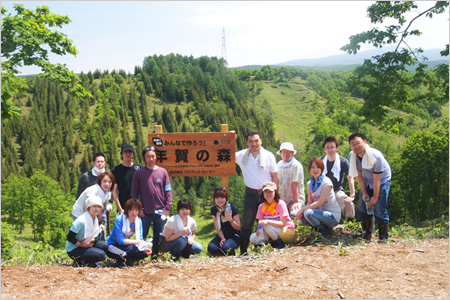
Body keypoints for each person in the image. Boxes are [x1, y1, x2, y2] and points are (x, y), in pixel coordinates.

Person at [232, 130, 278, 255]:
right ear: (247, 143)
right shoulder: (242, 155)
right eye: (251, 141)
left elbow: (274, 176)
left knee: (267, 220)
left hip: (267, 194)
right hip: (250, 193)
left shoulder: (269, 155)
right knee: (247, 222)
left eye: (256, 140)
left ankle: (267, 248)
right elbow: (227, 154)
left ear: (261, 141)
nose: (254, 144)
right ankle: (243, 251)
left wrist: (275, 194)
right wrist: (231, 139)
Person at [348, 133, 391, 243]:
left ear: (365, 142)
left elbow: (377, 179)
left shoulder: (376, 156)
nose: (356, 146)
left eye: (358, 143)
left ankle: (383, 235)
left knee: (379, 208)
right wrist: (365, 193)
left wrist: (375, 197)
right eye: (353, 144)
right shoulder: (352, 156)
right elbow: (358, 174)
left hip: (382, 180)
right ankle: (367, 233)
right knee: (362, 207)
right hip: (367, 179)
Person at [131, 146, 172, 256]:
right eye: (148, 156)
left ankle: (156, 255)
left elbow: (168, 191)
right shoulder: (139, 173)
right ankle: (139, 256)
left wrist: (167, 207)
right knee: (141, 235)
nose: (151, 158)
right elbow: (134, 193)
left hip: (160, 211)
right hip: (144, 211)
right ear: (144, 158)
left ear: (156, 157)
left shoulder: (163, 172)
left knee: (158, 236)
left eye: (153, 156)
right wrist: (138, 209)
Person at [296, 157, 341, 242]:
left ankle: (325, 234)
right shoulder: (310, 184)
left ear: (322, 169)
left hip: (333, 216)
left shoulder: (326, 182)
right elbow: (310, 202)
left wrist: (303, 209)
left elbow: (320, 202)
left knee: (307, 212)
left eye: (318, 167)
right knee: (302, 219)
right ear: (309, 169)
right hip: (322, 215)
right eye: (312, 167)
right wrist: (301, 213)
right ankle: (323, 230)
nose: (315, 170)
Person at [66, 195, 114, 267]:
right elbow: (70, 237)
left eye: (99, 207)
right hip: (74, 248)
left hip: (86, 244)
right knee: (101, 255)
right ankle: (80, 261)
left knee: (105, 245)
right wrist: (83, 245)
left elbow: (95, 235)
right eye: (94, 206)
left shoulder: (95, 219)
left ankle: (88, 261)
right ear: (88, 208)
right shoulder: (81, 220)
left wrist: (91, 239)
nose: (96, 209)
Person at [249, 182, 296, 249]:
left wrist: (268, 221)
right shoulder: (261, 206)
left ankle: (278, 244)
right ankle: (268, 244)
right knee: (253, 237)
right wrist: (259, 230)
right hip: (271, 230)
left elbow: (283, 223)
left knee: (266, 225)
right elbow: (260, 223)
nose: (268, 194)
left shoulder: (281, 204)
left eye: (270, 191)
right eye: (266, 192)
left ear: (275, 192)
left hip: (286, 231)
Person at [320, 137, 356, 222]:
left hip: (337, 190)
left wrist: (352, 195)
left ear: (337, 148)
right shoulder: (320, 161)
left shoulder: (343, 161)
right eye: (327, 147)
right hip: (322, 190)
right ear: (324, 149)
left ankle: (350, 226)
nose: (330, 150)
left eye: (332, 147)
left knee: (349, 204)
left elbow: (350, 178)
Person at [107, 198, 150, 267]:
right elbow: (120, 240)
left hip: (125, 246)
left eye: (136, 210)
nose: (134, 213)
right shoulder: (120, 219)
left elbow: (140, 237)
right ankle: (121, 262)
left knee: (143, 253)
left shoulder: (138, 221)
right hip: (113, 244)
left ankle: (128, 260)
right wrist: (137, 242)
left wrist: (144, 247)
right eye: (131, 210)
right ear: (127, 210)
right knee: (131, 248)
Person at [72, 172, 115, 241]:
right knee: (84, 234)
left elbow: (100, 208)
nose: (107, 184)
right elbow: (86, 207)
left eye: (110, 182)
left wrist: (100, 222)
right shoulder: (93, 190)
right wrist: (93, 222)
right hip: (79, 213)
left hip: (92, 213)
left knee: (96, 232)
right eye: (104, 181)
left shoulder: (107, 193)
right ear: (99, 181)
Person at [207, 188, 241, 256]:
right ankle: (223, 250)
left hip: (234, 235)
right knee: (211, 248)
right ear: (214, 199)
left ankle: (227, 249)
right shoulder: (214, 210)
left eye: (222, 197)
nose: (220, 200)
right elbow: (217, 227)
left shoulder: (232, 208)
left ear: (226, 199)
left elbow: (238, 227)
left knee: (225, 248)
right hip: (222, 234)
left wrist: (230, 219)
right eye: (217, 198)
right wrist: (222, 238)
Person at [276, 142, 305, 219]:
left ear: (292, 153)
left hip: (295, 199)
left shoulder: (296, 165)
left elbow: (294, 184)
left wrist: (296, 201)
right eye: (283, 152)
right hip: (282, 199)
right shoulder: (279, 165)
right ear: (280, 153)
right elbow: (277, 182)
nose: (286, 154)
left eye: (288, 152)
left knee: (294, 216)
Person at [111, 144, 143, 215]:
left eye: (130, 152)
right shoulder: (116, 170)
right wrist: (119, 209)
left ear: (133, 154)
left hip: (137, 207)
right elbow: (114, 191)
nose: (128, 154)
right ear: (122, 154)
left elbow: (143, 188)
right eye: (125, 152)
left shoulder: (139, 168)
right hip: (123, 208)